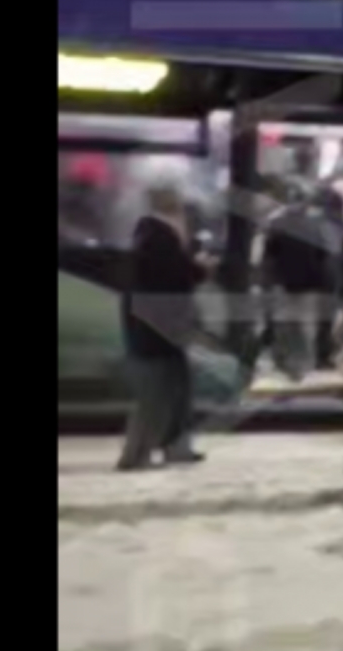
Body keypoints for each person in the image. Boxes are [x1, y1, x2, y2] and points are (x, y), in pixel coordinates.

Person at [116, 184, 213, 471]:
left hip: (157, 327)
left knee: (175, 389)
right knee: (156, 395)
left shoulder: (152, 234)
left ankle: (175, 447)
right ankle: (137, 455)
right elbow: (175, 276)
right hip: (156, 329)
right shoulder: (159, 236)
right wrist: (201, 269)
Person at [260, 183, 342, 377]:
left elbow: (269, 255)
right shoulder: (316, 225)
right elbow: (324, 255)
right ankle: (312, 360)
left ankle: (287, 361)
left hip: (287, 282)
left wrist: (270, 280)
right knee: (306, 325)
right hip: (311, 281)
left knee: (288, 324)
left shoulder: (277, 223)